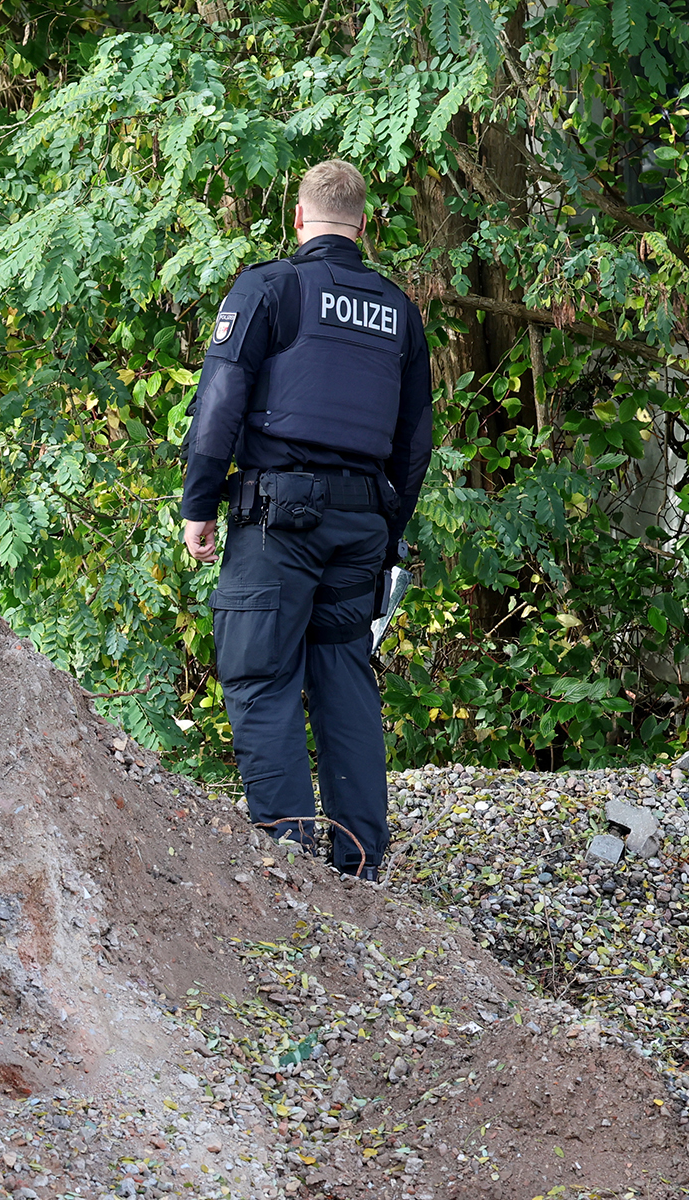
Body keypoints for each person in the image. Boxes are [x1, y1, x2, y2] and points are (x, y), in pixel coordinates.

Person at [179, 159, 434, 879]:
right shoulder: (398, 311)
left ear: (297, 218)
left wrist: (199, 504)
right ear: (364, 224)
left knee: (259, 676)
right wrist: (387, 533)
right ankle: (360, 864)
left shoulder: (270, 288)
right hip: (362, 524)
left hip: (278, 522)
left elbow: (220, 402)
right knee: (344, 678)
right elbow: (415, 439)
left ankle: (289, 864)